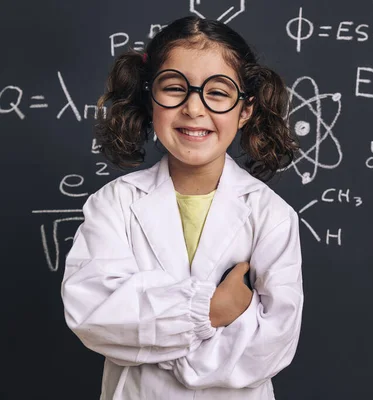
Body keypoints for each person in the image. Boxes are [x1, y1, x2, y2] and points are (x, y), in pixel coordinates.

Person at [61, 16, 303, 400]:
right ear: (148, 98)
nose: (194, 108)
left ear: (245, 110)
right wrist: (211, 312)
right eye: (175, 88)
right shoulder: (113, 204)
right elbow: (92, 315)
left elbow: (272, 344)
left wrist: (161, 343)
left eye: (218, 92)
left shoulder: (271, 215)